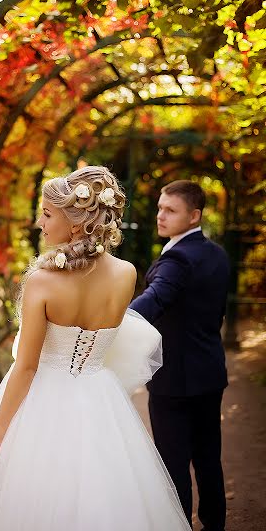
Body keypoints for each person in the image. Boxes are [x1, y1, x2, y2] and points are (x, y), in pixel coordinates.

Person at [0, 166, 190, 531]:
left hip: (41, 399)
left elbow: (26, 369)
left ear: (76, 224)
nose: (39, 223)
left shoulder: (42, 282)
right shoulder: (126, 273)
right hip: (100, 400)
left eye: (46, 214)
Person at [130, 180, 229, 531]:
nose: (160, 215)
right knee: (207, 459)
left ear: (194, 215)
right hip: (210, 371)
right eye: (160, 207)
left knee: (173, 464)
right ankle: (215, 525)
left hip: (174, 379)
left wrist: (111, 319)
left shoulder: (177, 258)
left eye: (170, 210)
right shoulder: (218, 255)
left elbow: (154, 299)